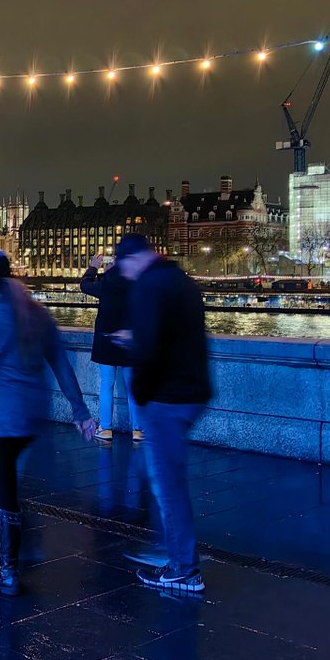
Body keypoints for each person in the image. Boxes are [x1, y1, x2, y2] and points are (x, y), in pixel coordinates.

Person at [0, 250, 96, 596]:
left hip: (0, 418)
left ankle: (7, 569)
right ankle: (21, 542)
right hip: (33, 414)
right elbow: (63, 367)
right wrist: (80, 411)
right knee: (10, 484)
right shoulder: (37, 313)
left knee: (3, 490)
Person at [112, 234, 212, 594]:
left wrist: (140, 393)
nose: (121, 272)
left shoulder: (147, 287)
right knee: (164, 477)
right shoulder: (181, 280)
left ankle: (184, 569)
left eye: (122, 264)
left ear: (132, 259)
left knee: (168, 484)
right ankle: (170, 552)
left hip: (167, 398)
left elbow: (151, 347)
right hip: (193, 391)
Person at [80, 252, 142, 442]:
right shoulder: (134, 284)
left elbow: (84, 285)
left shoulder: (105, 284)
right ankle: (138, 430)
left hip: (106, 341)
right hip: (128, 342)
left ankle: (106, 429)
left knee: (106, 385)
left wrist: (93, 267)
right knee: (133, 388)